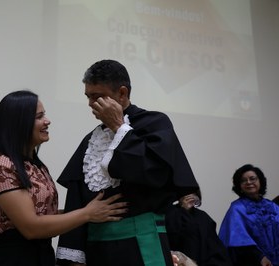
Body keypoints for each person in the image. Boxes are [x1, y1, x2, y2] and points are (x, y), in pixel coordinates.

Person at [55, 59, 199, 266]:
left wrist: (118, 127)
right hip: (96, 250)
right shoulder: (90, 140)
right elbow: (76, 200)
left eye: (97, 96)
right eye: (88, 97)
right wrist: (74, 256)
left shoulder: (155, 123)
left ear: (122, 93)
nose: (90, 104)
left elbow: (154, 175)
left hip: (142, 245)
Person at [0, 90, 128, 266]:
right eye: (39, 116)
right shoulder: (1, 165)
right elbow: (31, 227)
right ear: (19, 123)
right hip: (13, 259)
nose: (47, 121)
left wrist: (90, 211)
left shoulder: (37, 166)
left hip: (43, 256)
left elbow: (44, 216)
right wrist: (87, 214)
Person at [218, 164, 279, 266]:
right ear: (240, 186)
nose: (249, 182)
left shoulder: (273, 206)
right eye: (243, 180)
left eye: (252, 179)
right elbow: (238, 242)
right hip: (253, 262)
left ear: (260, 181)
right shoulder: (236, 209)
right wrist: (260, 257)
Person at [165, 190, 232, 266]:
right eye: (185, 193)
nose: (189, 196)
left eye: (192, 192)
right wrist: (184, 211)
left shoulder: (203, 216)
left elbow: (213, 244)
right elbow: (173, 238)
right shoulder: (169, 214)